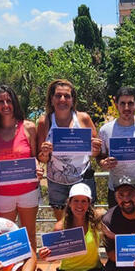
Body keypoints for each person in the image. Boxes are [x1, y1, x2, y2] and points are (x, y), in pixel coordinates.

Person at [36, 79, 102, 220]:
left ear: (73, 100)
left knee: (86, 221)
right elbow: (41, 158)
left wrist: (95, 147)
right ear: (51, 99)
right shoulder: (45, 121)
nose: (62, 99)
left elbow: (95, 153)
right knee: (63, 223)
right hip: (56, 182)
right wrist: (45, 152)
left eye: (67, 96)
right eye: (58, 95)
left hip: (82, 178)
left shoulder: (83, 119)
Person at [0, 85, 42, 248]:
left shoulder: (28, 127)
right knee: (7, 238)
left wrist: (38, 168)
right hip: (3, 194)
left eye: (8, 100)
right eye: (0, 101)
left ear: (14, 103)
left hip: (28, 192)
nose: (5, 105)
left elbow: (35, 157)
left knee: (29, 234)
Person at [37, 183, 103, 271]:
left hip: (92, 270)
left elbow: (118, 212)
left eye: (84, 201)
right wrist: (45, 255)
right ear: (69, 202)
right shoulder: (60, 227)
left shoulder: (96, 220)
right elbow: (53, 256)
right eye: (76, 200)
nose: (80, 205)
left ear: (89, 203)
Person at [98, 86, 135, 208]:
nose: (126, 108)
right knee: (118, 227)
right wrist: (103, 163)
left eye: (130, 103)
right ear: (116, 104)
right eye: (122, 103)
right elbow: (100, 156)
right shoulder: (105, 130)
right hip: (117, 190)